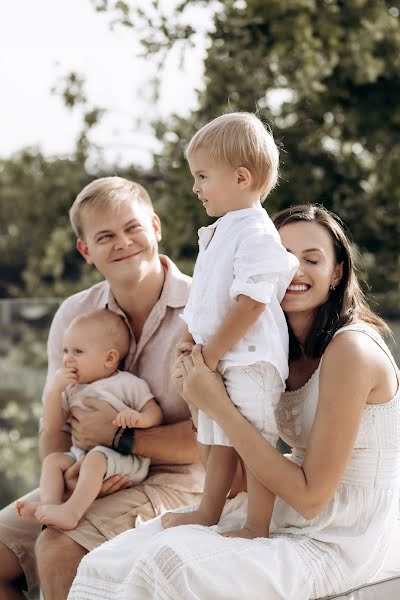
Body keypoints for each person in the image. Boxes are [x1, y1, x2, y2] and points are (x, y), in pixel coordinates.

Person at [69, 204, 400, 600]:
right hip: (284, 509)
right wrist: (197, 396)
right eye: (281, 257)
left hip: (341, 534)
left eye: (312, 259)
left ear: (337, 272)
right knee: (109, 560)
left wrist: (218, 403)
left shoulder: (350, 351)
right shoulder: (270, 351)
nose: (293, 271)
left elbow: (312, 498)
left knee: (171, 564)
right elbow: (237, 478)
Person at [0, 177, 204, 600]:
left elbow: (214, 444)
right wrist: (73, 472)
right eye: (105, 236)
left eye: (133, 228)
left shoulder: (204, 308)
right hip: (85, 471)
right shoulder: (75, 314)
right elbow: (53, 431)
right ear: (86, 251)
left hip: (180, 480)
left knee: (56, 547)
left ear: (155, 226)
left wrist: (121, 440)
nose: (124, 243)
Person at [162, 112, 299, 540]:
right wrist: (191, 338)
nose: (195, 187)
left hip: (250, 360)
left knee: (254, 439)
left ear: (241, 177)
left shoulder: (257, 232)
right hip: (223, 355)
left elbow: (251, 303)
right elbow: (206, 296)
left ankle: (258, 525)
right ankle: (209, 509)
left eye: (202, 176)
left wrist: (213, 352)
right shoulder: (222, 229)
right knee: (220, 435)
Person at [16, 308, 163, 531]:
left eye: (77, 351)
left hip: (124, 459)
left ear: (109, 358)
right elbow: (53, 426)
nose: (67, 359)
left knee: (95, 459)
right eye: (65, 351)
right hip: (82, 456)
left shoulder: (126, 384)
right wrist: (56, 391)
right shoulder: (73, 389)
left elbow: (154, 413)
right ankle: (49, 506)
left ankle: (71, 512)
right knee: (53, 461)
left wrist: (139, 419)